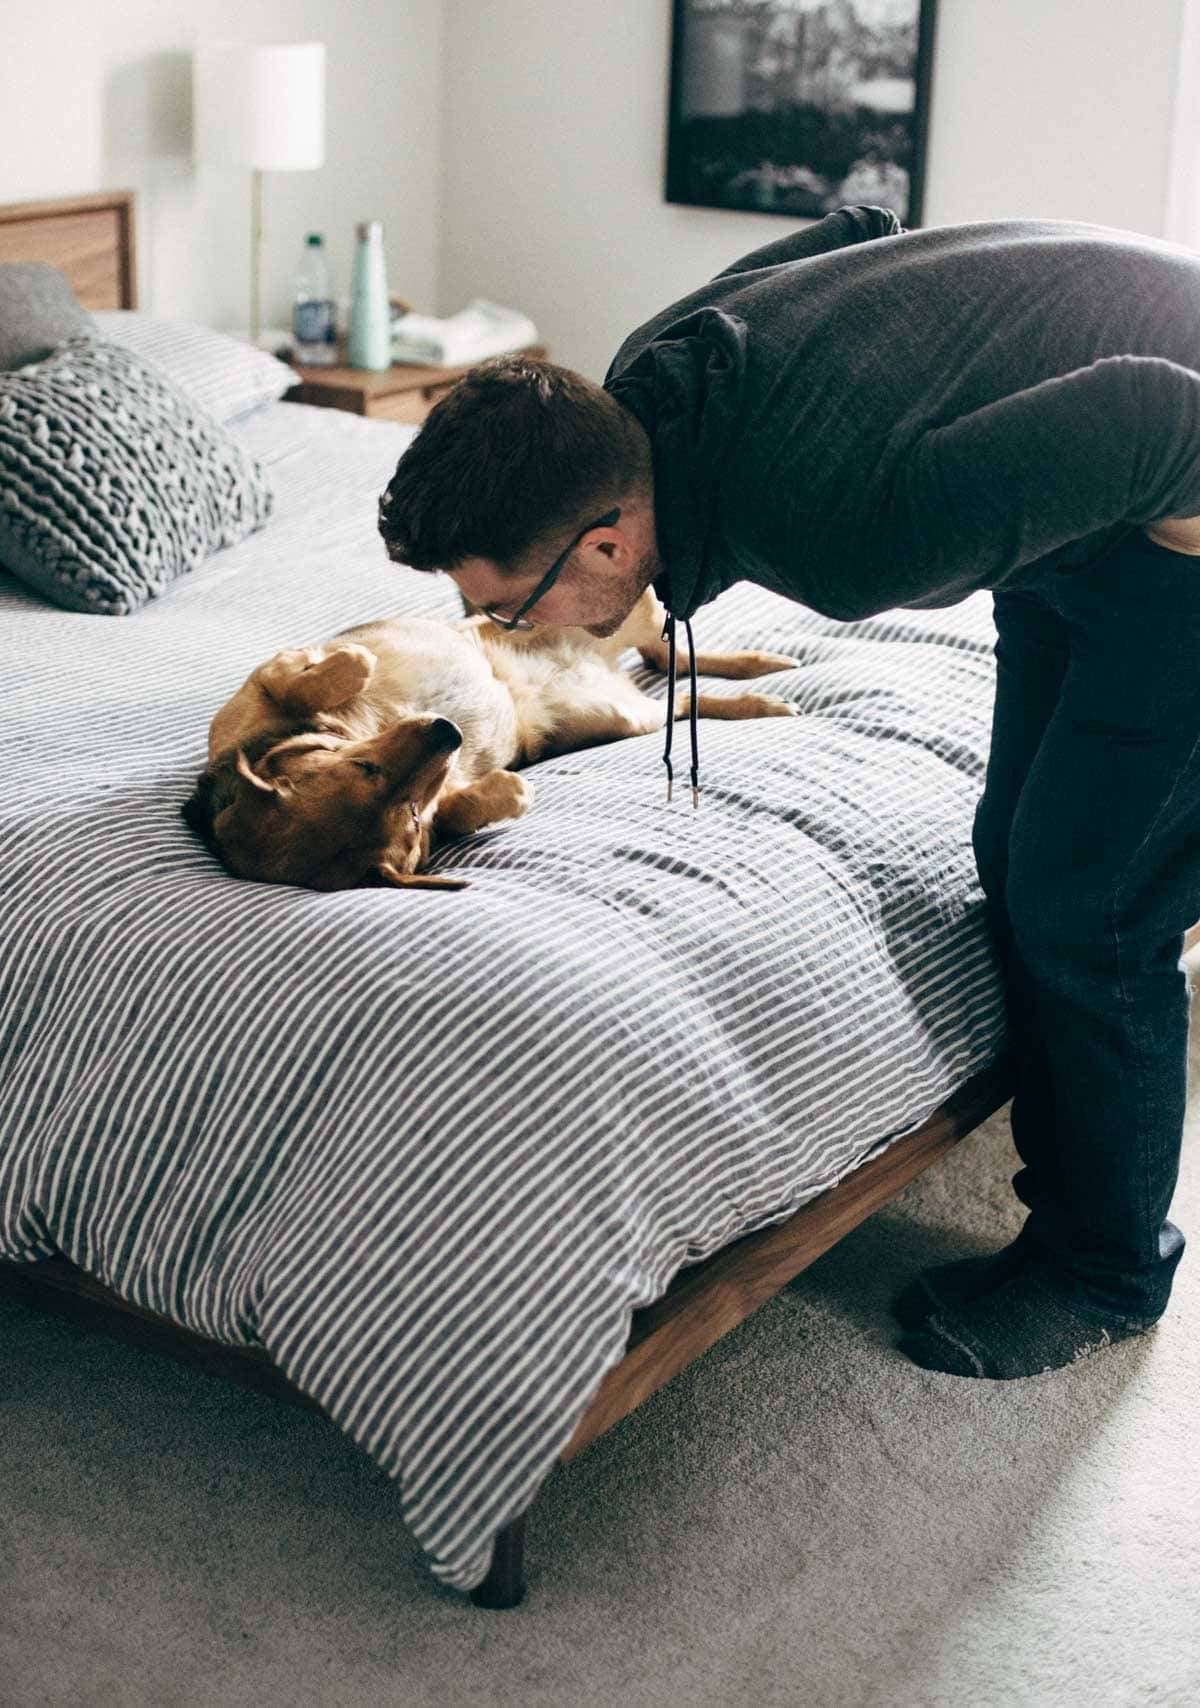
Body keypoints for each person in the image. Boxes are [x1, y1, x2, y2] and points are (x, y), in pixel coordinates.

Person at [376, 204, 1200, 1380]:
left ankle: (1108, 1273)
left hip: (1176, 500)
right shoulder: (647, 384)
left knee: (1095, 903)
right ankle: (1066, 1214)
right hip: (1090, 515)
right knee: (1014, 849)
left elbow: (1162, 414)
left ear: (608, 544)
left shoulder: (845, 536)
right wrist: (958, 363)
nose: (507, 631)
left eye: (513, 604)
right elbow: (858, 226)